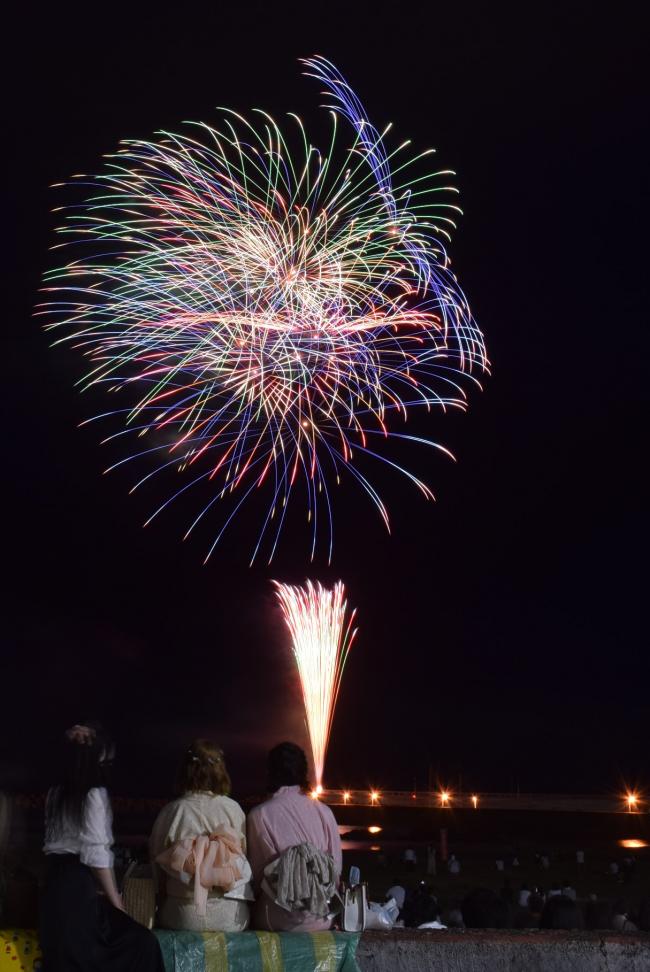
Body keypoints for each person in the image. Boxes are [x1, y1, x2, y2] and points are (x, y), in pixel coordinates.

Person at [40, 723, 164, 972]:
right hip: (77, 891)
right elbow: (97, 856)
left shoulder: (55, 794)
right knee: (143, 943)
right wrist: (116, 901)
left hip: (53, 890)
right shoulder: (94, 795)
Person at [150, 739, 252, 931]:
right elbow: (243, 856)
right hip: (231, 915)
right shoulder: (234, 810)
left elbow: (156, 864)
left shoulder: (172, 811)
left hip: (182, 913)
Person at [247, 742, 341, 931]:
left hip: (276, 918)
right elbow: (335, 871)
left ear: (270, 772)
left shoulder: (259, 815)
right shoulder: (325, 812)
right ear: (303, 772)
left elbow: (256, 878)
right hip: (321, 916)